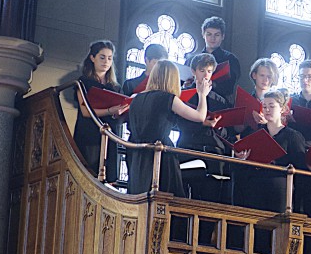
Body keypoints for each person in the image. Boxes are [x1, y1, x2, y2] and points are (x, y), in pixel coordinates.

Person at [126, 60, 209, 197]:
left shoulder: (135, 98)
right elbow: (200, 116)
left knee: (139, 195)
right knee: (165, 197)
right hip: (160, 153)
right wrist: (202, 95)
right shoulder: (168, 98)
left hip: (137, 152)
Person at [233, 90, 307, 212]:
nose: (267, 110)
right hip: (255, 187)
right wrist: (243, 159)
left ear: (283, 109)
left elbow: (300, 168)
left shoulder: (293, 136)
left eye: (271, 106)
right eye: (265, 106)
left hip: (279, 187)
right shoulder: (255, 134)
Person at [176, 53, 231, 202]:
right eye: (202, 71)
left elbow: (227, 132)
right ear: (193, 71)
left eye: (209, 71)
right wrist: (201, 122)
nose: (206, 75)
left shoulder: (220, 100)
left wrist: (218, 127)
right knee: (185, 197)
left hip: (213, 151)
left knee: (211, 199)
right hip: (189, 148)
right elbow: (178, 124)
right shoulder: (183, 96)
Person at [73, 40, 128, 182]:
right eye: (102, 57)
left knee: (109, 180)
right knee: (89, 175)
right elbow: (85, 112)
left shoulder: (115, 87)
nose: (106, 62)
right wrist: (110, 110)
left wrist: (120, 112)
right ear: (92, 58)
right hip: (90, 134)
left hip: (110, 135)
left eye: (109, 58)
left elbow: (120, 114)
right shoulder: (83, 82)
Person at [200, 16, 240, 103]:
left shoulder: (231, 59)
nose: (212, 38)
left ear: (223, 36)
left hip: (219, 104)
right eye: (209, 34)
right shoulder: (192, 59)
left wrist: (212, 84)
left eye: (217, 35)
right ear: (203, 35)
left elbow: (230, 88)